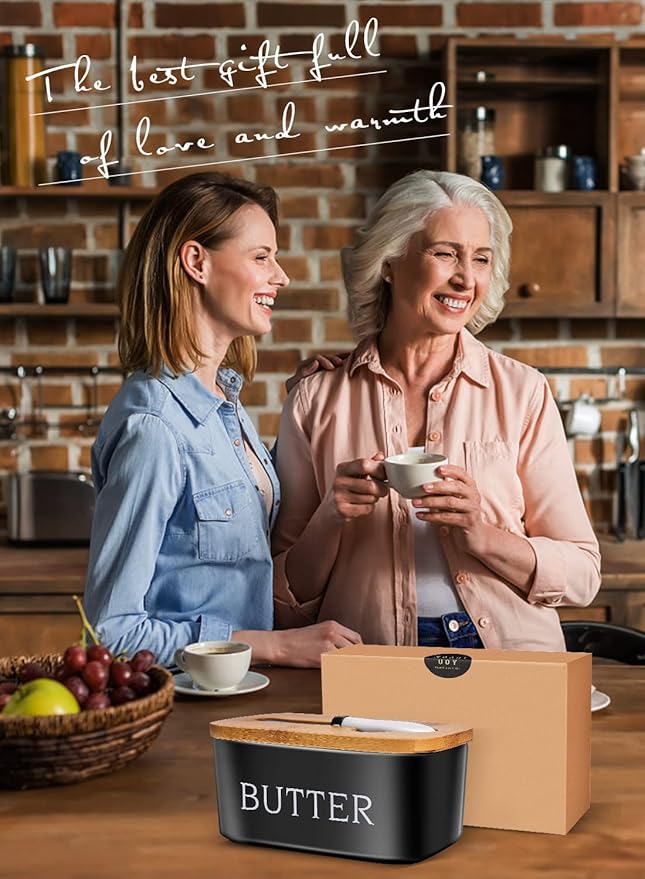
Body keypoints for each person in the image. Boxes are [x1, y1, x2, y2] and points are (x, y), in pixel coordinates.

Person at [272, 169, 601, 651]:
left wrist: (481, 535)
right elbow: (282, 601)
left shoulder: (523, 393)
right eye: (445, 253)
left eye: (481, 258)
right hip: (371, 656)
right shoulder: (316, 398)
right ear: (389, 261)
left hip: (510, 656)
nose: (466, 278)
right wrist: (330, 517)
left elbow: (583, 574)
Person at [83, 172, 361, 668]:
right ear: (197, 262)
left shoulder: (224, 404)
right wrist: (275, 645)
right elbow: (111, 635)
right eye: (262, 257)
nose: (281, 277)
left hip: (237, 691)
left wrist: (303, 406)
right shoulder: (154, 428)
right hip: (186, 700)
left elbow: (230, 534)